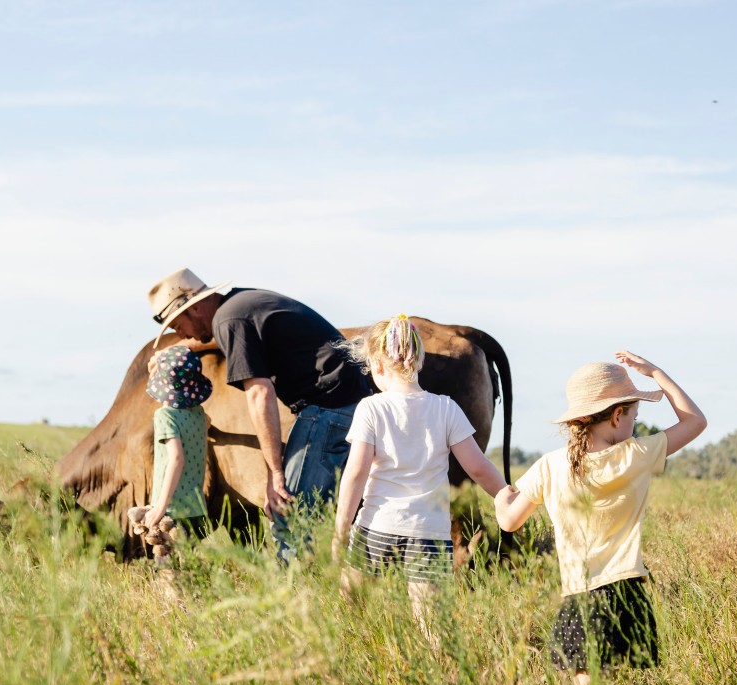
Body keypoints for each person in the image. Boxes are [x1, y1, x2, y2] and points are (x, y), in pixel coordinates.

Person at [495, 352, 706, 685]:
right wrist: (656, 374)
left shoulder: (549, 466)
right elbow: (695, 421)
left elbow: (509, 521)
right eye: (634, 417)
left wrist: (501, 498)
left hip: (580, 596)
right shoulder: (636, 454)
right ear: (617, 415)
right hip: (627, 594)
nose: (634, 426)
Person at [147, 268, 373, 563]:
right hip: (347, 401)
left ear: (197, 308)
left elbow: (259, 393)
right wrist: (183, 345)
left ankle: (294, 602)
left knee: (289, 513)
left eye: (178, 326)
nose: (182, 334)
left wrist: (275, 474)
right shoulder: (239, 305)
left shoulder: (231, 320)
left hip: (329, 408)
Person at [333, 315, 511, 630]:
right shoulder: (446, 409)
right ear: (421, 360)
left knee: (351, 611)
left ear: (377, 365)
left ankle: (351, 666)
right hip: (429, 533)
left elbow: (355, 474)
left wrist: (341, 529)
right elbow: (478, 468)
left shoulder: (371, 409)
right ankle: (437, 668)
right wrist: (507, 495)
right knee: (431, 621)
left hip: (376, 527)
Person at [140, 344, 212, 541]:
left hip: (172, 510)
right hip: (197, 509)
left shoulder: (165, 416)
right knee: (190, 566)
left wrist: (160, 508)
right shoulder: (200, 415)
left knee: (167, 567)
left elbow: (177, 459)